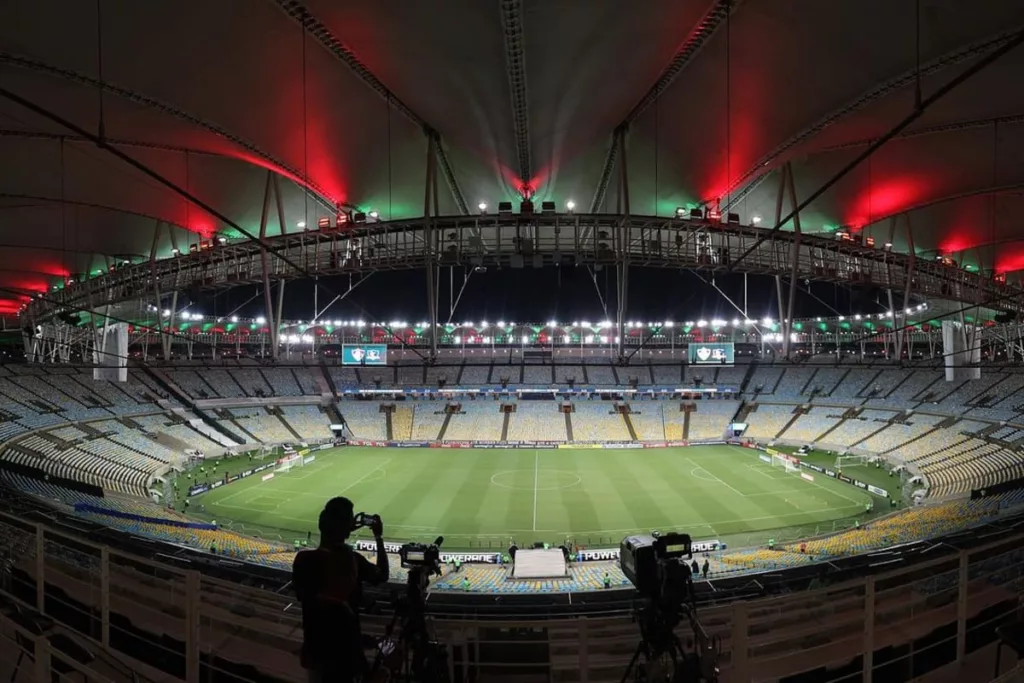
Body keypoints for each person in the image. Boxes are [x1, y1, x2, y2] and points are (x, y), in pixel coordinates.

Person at [292, 497, 389, 683]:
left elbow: (305, 595)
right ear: (347, 528)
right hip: (345, 659)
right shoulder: (353, 561)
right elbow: (382, 575)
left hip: (316, 655)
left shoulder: (302, 560)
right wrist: (378, 536)